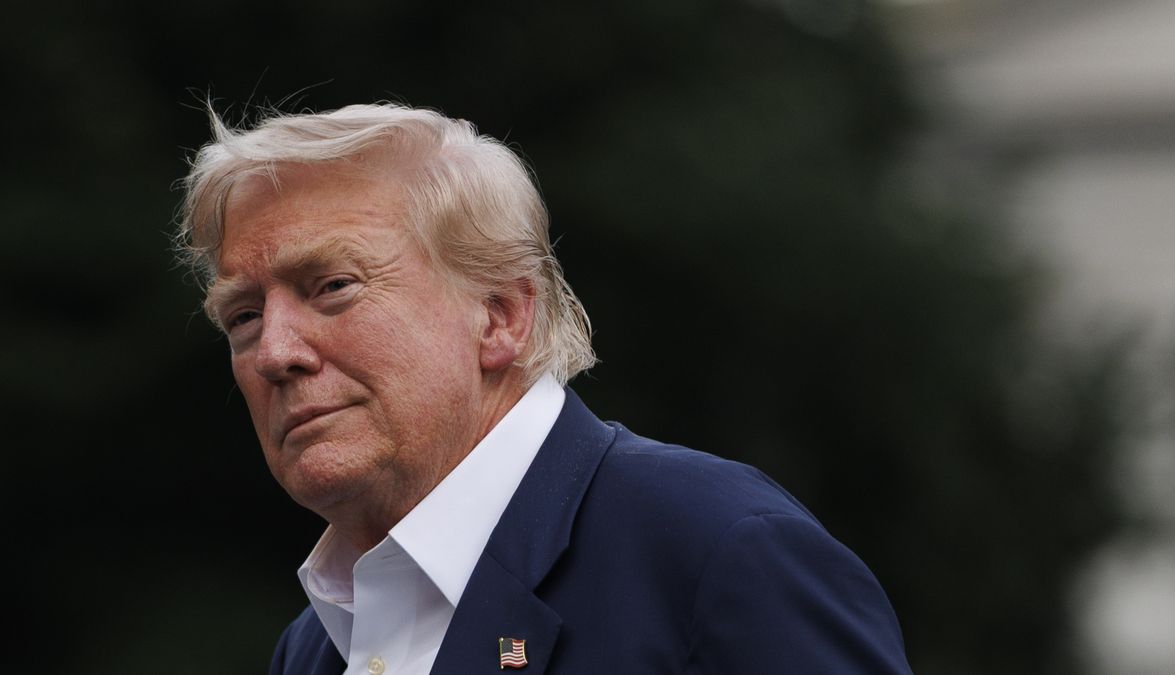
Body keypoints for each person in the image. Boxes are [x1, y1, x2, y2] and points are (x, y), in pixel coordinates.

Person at [178, 103, 912, 675]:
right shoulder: (315, 647)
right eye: (243, 316)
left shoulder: (717, 552)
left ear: (501, 315)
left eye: (333, 286)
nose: (274, 351)